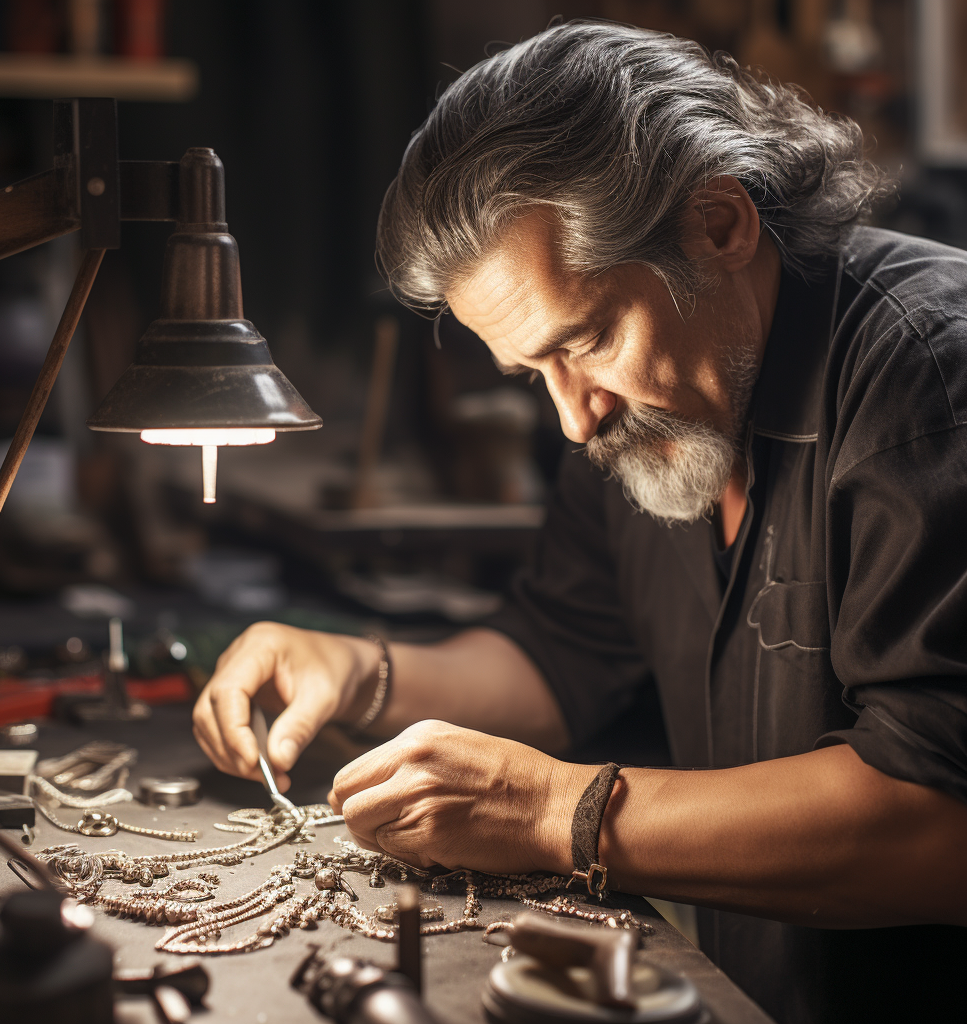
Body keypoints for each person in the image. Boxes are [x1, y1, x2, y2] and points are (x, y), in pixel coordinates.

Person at [192, 21, 967, 1024]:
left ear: (719, 224)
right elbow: (557, 657)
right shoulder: (647, 412)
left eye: (588, 338)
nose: (573, 415)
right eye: (532, 373)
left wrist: (559, 810)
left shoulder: (928, 387)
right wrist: (357, 670)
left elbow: (939, 817)